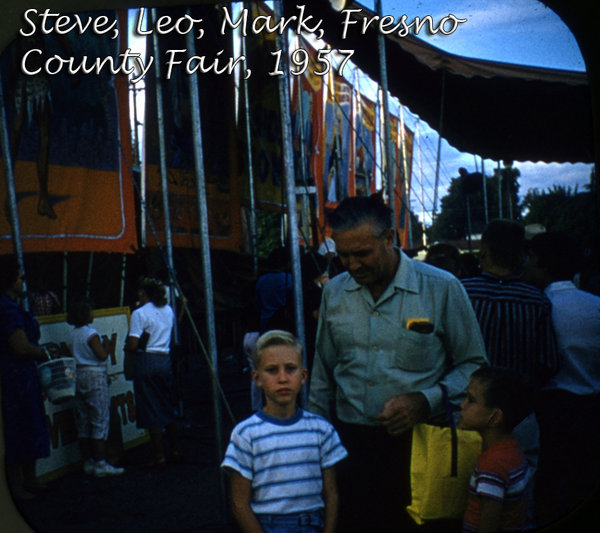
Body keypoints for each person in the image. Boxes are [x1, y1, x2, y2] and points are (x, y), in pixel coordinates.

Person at [308, 195, 488, 532]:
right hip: (350, 448)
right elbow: (322, 375)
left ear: (390, 239)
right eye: (343, 255)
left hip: (421, 449)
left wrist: (425, 400)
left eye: (361, 254)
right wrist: (315, 443)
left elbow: (474, 367)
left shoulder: (442, 288)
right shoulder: (334, 293)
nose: (352, 265)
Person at [460, 220, 559, 528]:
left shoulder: (464, 293)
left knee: (469, 491)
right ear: (520, 256)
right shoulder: (537, 300)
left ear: (484, 251)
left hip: (471, 411)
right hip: (519, 416)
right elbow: (549, 362)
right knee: (519, 501)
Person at [221, 330, 347, 533]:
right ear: (257, 378)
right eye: (272, 370)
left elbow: (331, 493)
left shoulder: (321, 430)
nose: (282, 378)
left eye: (290, 369)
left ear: (303, 375)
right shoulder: (246, 434)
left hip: (314, 524)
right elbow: (239, 503)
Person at [523, 231, 600, 526]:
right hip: (592, 407)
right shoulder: (593, 305)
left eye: (530, 258)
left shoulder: (539, 307)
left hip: (552, 408)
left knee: (547, 484)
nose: (525, 264)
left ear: (543, 264)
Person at [0, 256, 51, 501]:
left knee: (30, 423)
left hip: (24, 375)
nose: (23, 283)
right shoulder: (6, 308)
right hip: (13, 376)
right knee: (16, 427)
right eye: (20, 278)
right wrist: (43, 354)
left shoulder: (14, 306)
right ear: (10, 280)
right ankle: (15, 486)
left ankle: (30, 478)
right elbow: (20, 347)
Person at [459, 366, 531, 533]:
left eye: (471, 400)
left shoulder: (493, 465)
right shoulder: (512, 451)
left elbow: (488, 525)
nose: (462, 405)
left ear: (495, 417)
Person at [124, 277, 179, 467]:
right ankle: (174, 448)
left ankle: (158, 455)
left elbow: (133, 343)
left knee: (150, 406)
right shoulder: (168, 310)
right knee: (166, 403)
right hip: (164, 358)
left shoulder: (139, 313)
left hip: (146, 359)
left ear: (142, 293)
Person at [67, 299, 124, 477]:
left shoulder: (72, 334)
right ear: (86, 315)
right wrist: (107, 346)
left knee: (83, 421)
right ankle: (101, 462)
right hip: (95, 375)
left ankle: (88, 461)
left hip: (78, 375)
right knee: (100, 419)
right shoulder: (91, 333)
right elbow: (101, 355)